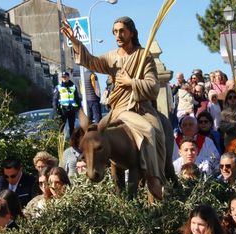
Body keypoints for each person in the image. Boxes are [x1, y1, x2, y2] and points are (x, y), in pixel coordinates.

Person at [62, 16, 165, 199]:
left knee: (150, 129)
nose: (118, 35)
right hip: (118, 110)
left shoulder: (144, 56)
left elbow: (153, 86)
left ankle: (153, 177)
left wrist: (131, 82)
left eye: (122, 31)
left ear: (131, 33)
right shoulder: (111, 57)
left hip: (139, 109)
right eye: (115, 31)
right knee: (94, 134)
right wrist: (75, 42)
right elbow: (91, 61)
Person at [52, 71, 81, 136]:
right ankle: (61, 143)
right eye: (63, 77)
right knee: (61, 126)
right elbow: (55, 99)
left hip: (72, 109)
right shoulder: (58, 87)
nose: (64, 78)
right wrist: (55, 109)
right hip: (63, 109)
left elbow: (77, 98)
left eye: (65, 77)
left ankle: (72, 142)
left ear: (68, 77)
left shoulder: (73, 87)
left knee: (72, 127)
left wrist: (79, 107)